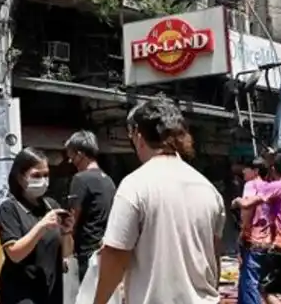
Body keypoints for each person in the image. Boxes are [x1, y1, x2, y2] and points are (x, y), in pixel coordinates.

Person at [93, 97, 226, 304]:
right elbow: (213, 255)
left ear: (138, 135)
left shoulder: (135, 185)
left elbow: (115, 255)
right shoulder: (208, 189)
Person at [0, 148, 72, 304]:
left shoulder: (51, 205)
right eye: (36, 175)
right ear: (20, 177)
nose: (43, 180)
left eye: (46, 175)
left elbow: (67, 252)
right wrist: (42, 226)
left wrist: (67, 232)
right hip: (21, 294)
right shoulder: (10, 209)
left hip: (51, 292)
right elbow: (15, 254)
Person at [239, 154, 281, 304]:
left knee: (267, 291)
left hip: (280, 247)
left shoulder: (275, 186)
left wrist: (237, 202)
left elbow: (248, 204)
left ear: (274, 169)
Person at [63, 130, 115, 281]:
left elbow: (72, 220)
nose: (70, 161)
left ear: (80, 154)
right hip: (105, 252)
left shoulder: (80, 179)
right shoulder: (108, 180)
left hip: (86, 255)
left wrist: (66, 254)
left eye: (71, 156)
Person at [230, 157, 269, 304]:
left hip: (253, 238)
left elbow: (247, 211)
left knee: (249, 281)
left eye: (247, 168)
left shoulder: (251, 185)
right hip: (267, 240)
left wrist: (242, 233)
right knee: (253, 280)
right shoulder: (270, 187)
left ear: (256, 171)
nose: (243, 171)